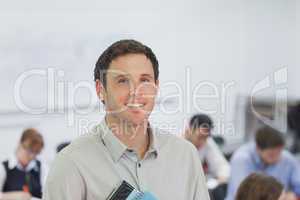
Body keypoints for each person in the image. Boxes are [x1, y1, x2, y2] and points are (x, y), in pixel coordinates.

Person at [43, 39, 210, 200]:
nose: (135, 92)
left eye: (144, 80)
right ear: (101, 90)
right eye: (122, 81)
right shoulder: (71, 164)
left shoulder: (186, 155)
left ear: (156, 87)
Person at [226, 125, 300, 200]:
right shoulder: (241, 159)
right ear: (258, 148)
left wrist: (295, 194)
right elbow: (243, 194)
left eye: (279, 152)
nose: (277, 158)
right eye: (271, 155)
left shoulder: (286, 158)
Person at [184, 114, 230, 200]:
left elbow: (222, 165)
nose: (203, 142)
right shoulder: (177, 144)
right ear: (189, 130)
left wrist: (222, 178)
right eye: (200, 137)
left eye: (205, 137)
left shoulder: (207, 143)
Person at [0, 128, 47, 200]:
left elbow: (48, 194)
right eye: (29, 150)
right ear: (20, 144)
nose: (31, 156)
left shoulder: (41, 167)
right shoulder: (3, 167)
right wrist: (14, 196)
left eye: (36, 152)